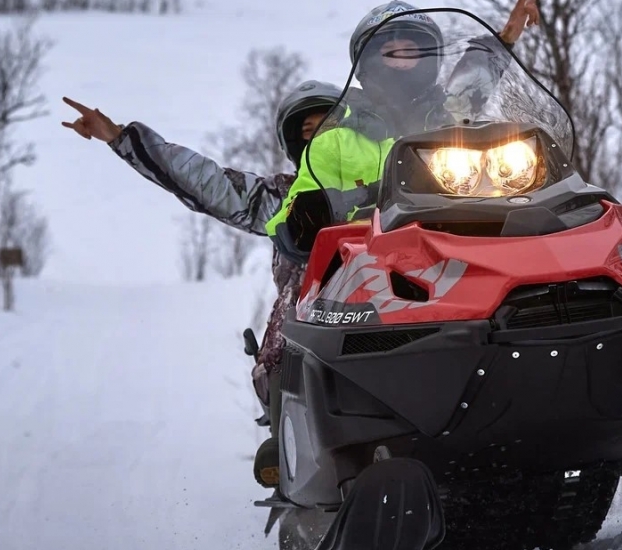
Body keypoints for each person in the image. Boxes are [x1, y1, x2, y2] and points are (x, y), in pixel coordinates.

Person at [60, 80, 343, 488]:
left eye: (328, 126)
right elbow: (209, 182)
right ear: (296, 145)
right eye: (308, 131)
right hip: (308, 328)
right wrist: (122, 138)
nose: (320, 138)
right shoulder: (285, 200)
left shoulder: (395, 184)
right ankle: (291, 445)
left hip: (388, 313)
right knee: (285, 356)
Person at [265, 0, 540, 262]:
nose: (399, 62)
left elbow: (472, 83)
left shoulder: (447, 122)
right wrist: (307, 215)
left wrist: (504, 40)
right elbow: (288, 220)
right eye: (390, 52)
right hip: (365, 268)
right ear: (368, 62)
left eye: (410, 52)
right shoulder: (333, 141)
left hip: (455, 254)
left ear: (428, 61)